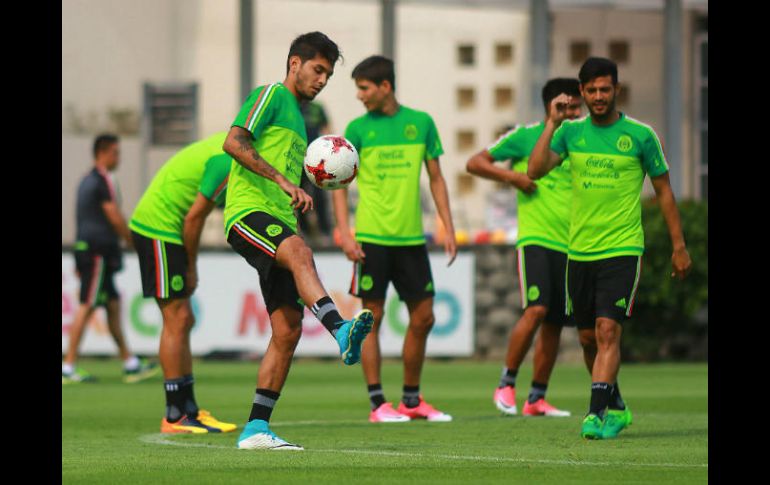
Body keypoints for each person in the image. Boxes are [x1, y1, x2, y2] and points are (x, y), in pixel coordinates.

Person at [222, 31, 374, 451]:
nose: (322, 80)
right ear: (294, 64)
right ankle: (340, 329)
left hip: (277, 218)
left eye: (327, 73)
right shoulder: (270, 94)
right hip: (247, 213)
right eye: (317, 69)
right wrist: (285, 181)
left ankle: (255, 429)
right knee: (301, 253)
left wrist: (297, 195)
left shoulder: (302, 119)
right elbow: (233, 142)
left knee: (287, 330)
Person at [528, 57, 692, 439]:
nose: (599, 96)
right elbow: (534, 170)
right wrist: (552, 123)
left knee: (606, 331)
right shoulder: (570, 133)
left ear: (617, 90)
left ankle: (595, 414)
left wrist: (678, 246)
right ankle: (616, 406)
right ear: (582, 93)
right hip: (579, 252)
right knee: (587, 339)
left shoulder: (640, 136)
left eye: (605, 89)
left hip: (622, 249)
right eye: (591, 90)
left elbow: (664, 191)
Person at [332, 55, 457, 424]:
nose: (359, 95)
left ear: (385, 86)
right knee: (372, 317)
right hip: (371, 238)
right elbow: (338, 184)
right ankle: (377, 405)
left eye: (364, 88)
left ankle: (412, 401)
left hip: (411, 240)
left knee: (425, 316)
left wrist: (447, 225)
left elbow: (436, 178)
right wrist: (344, 232)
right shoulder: (356, 129)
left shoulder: (421, 124)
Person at [466, 78, 585, 418]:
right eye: (566, 106)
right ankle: (506, 383)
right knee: (536, 309)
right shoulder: (525, 136)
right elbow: (475, 162)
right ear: (550, 106)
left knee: (555, 323)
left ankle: (537, 398)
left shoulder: (584, 141)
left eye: (577, 106)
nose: (573, 112)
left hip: (575, 243)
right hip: (537, 238)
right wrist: (514, 178)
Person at [129, 131, 237, 434]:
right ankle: (174, 414)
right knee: (176, 318)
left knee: (184, 318)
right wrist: (190, 266)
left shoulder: (234, 146)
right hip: (159, 227)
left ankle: (189, 409)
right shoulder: (226, 160)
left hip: (167, 229)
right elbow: (194, 219)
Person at [63, 134, 158, 384]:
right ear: (103, 152)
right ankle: (68, 365)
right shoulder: (101, 179)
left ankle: (129, 362)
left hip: (90, 249)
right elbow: (113, 215)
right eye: (116, 152)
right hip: (97, 251)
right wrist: (132, 241)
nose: (119, 158)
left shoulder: (86, 180)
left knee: (113, 305)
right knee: (87, 305)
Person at [297, 101, 333, 242]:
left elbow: (326, 128)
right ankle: (305, 231)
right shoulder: (294, 107)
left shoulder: (317, 108)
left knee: (320, 196)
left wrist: (330, 152)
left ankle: (325, 231)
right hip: (298, 159)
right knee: (300, 196)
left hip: (316, 160)